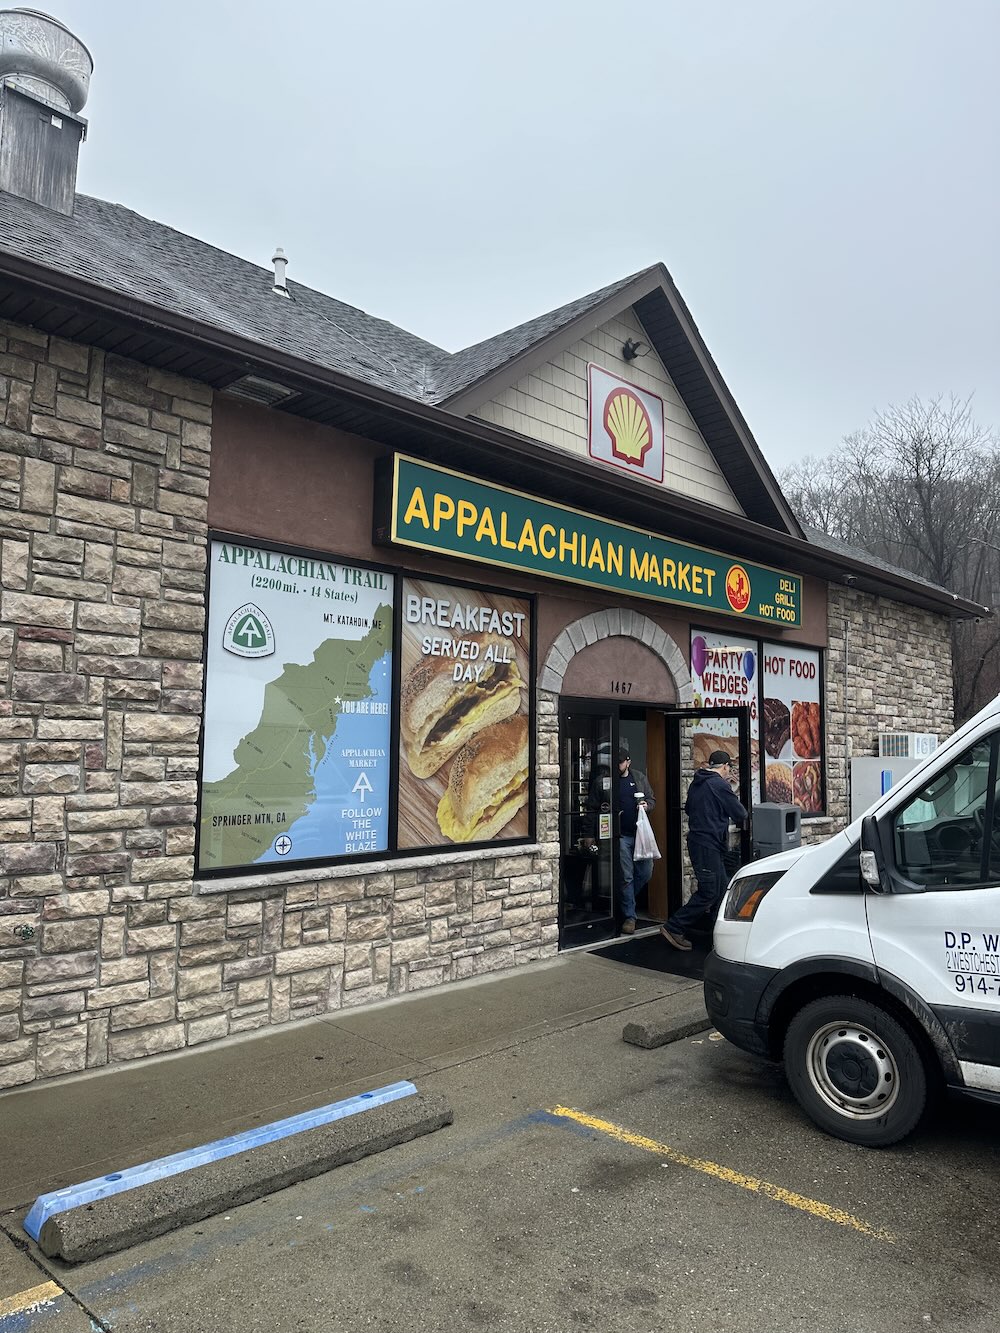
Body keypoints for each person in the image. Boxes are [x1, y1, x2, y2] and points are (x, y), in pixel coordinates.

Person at [661, 748, 747, 951]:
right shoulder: (719, 785)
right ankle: (674, 926)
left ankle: (718, 932)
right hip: (708, 843)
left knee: (722, 887)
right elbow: (740, 812)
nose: (729, 771)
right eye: (729, 768)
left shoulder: (697, 782)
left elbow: (690, 809)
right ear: (725, 766)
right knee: (709, 892)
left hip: (699, 841)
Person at [616, 746, 656, 935]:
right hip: (621, 835)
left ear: (628, 762)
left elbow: (651, 799)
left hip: (640, 834)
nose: (618, 765)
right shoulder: (607, 780)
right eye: (616, 762)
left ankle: (625, 901)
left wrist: (646, 806)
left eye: (621, 762)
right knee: (626, 876)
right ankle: (630, 916)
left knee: (645, 873)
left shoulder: (638, 777)